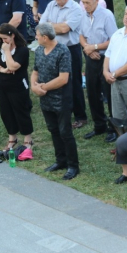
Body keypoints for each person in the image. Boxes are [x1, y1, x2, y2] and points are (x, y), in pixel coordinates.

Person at [32, 22, 80, 180]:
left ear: (45, 37)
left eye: (37, 35)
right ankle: (61, 160)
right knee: (53, 130)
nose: (35, 37)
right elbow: (35, 71)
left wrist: (43, 87)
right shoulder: (39, 50)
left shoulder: (62, 51)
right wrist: (34, 86)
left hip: (61, 99)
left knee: (65, 132)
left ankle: (73, 165)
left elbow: (63, 78)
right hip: (46, 99)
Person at [40, 0, 87, 129]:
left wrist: (51, 25)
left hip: (71, 48)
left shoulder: (76, 8)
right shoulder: (51, 5)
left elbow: (66, 28)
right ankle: (60, 111)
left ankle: (80, 116)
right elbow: (42, 26)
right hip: (53, 49)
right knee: (55, 79)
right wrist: (57, 26)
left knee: (74, 82)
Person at [79, 0, 117, 142]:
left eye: (88, 2)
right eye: (83, 2)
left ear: (96, 0)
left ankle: (113, 128)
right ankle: (99, 125)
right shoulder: (83, 15)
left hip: (105, 58)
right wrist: (87, 49)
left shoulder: (106, 15)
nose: (85, 6)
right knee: (92, 93)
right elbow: (81, 35)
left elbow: (114, 40)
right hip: (90, 58)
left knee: (109, 93)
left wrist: (94, 47)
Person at [0, 23, 34, 159]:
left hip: (18, 86)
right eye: (1, 39)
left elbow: (13, 66)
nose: (4, 42)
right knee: (6, 112)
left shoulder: (22, 50)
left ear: (12, 35)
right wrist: (2, 70)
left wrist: (7, 51)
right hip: (3, 85)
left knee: (21, 111)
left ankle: (28, 139)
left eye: (5, 38)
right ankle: (12, 137)